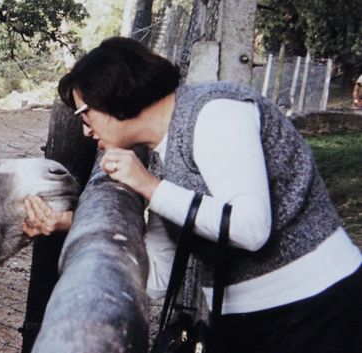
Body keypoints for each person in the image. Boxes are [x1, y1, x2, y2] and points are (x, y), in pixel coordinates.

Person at [22, 37, 361, 353]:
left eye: (84, 114)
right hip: (243, 321)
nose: (84, 129)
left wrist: (150, 187)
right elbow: (155, 278)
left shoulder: (215, 112)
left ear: (112, 92)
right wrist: (79, 226)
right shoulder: (160, 160)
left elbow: (251, 227)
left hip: (319, 307)